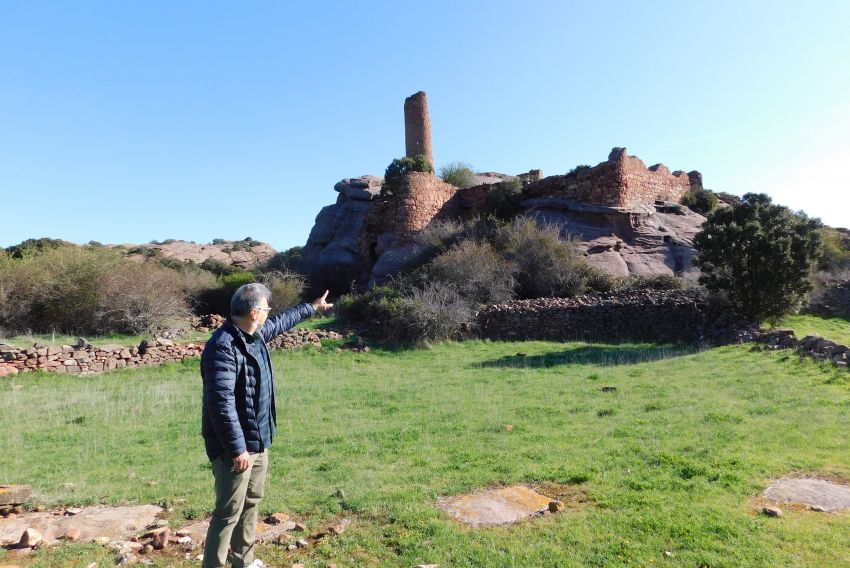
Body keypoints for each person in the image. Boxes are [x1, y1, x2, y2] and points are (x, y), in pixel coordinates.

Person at [200, 283, 332, 568]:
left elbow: (282, 322)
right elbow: (220, 404)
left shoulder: (254, 334)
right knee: (228, 513)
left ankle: (243, 563)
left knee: (251, 504)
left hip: (258, 440)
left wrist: (312, 307)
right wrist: (237, 449)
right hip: (234, 447)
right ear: (253, 312)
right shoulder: (222, 347)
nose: (269, 314)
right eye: (266, 310)